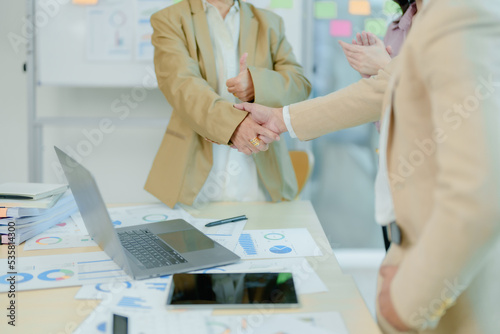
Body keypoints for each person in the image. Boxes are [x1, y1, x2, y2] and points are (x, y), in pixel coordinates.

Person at [234, 0, 500, 332]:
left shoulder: (460, 15)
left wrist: (405, 305)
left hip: (448, 281)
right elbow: (380, 88)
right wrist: (279, 117)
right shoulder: (428, 17)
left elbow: (480, 200)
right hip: (412, 254)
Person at [144, 0, 311, 208]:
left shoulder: (270, 22)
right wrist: (235, 125)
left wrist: (256, 84)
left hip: (260, 180)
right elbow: (182, 86)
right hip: (193, 183)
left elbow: (299, 85)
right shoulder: (170, 20)